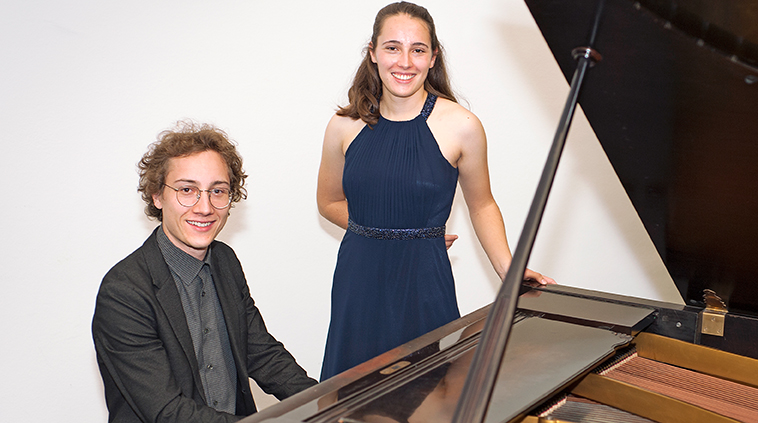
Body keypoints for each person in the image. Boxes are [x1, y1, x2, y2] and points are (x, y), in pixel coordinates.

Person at [316, 1, 554, 381]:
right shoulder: (343, 125)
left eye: (418, 49)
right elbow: (328, 202)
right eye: (392, 47)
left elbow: (482, 204)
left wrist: (508, 268)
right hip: (358, 281)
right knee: (351, 394)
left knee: (431, 391)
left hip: (424, 280)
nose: (404, 61)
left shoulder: (462, 125)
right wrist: (392, 232)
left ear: (433, 57)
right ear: (373, 53)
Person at [92, 122, 318, 423]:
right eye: (187, 190)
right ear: (157, 196)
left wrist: (326, 403)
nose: (205, 207)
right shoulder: (123, 292)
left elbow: (260, 353)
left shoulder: (225, 260)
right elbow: (167, 411)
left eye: (218, 191)